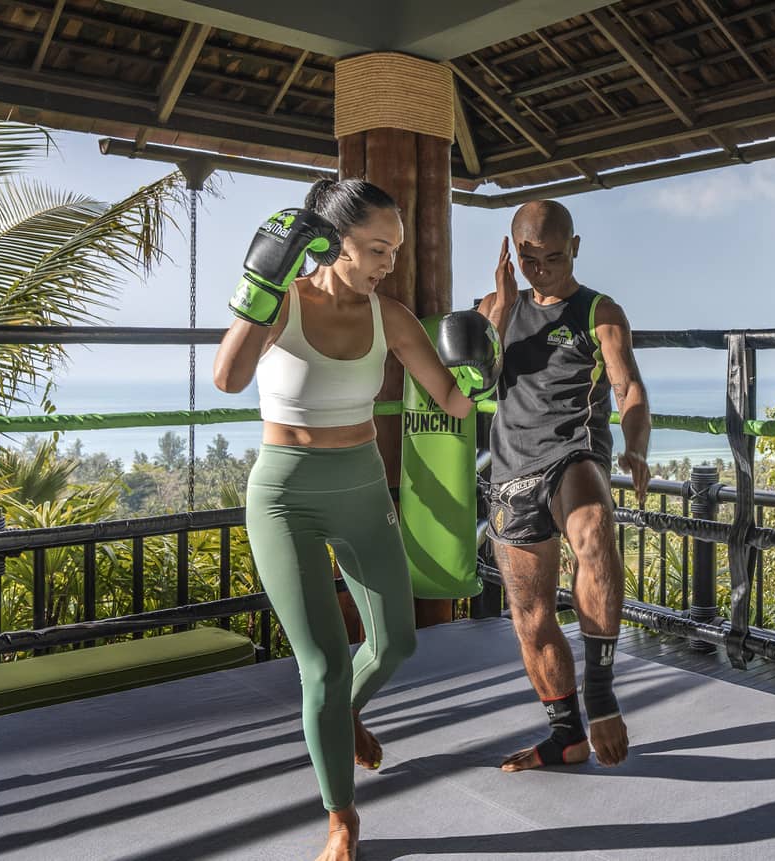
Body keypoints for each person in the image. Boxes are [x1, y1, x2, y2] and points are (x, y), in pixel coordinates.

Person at [213, 179, 498, 861]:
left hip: (364, 488)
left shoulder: (390, 317)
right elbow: (226, 378)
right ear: (333, 242)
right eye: (376, 249)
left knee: (397, 642)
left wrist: (483, 366)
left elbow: (453, 403)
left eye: (394, 251)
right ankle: (342, 818)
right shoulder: (283, 302)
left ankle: (338, 719)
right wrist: (260, 287)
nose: (387, 264)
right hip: (285, 496)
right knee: (324, 664)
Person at [476, 199, 651, 772]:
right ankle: (565, 734)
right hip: (511, 471)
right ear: (513, 253)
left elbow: (628, 388)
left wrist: (636, 447)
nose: (543, 270)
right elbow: (472, 384)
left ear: (575, 248)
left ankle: (599, 692)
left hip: (573, 454)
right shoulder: (493, 309)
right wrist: (502, 308)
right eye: (531, 260)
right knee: (530, 615)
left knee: (594, 529)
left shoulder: (600, 311)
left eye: (555, 258)